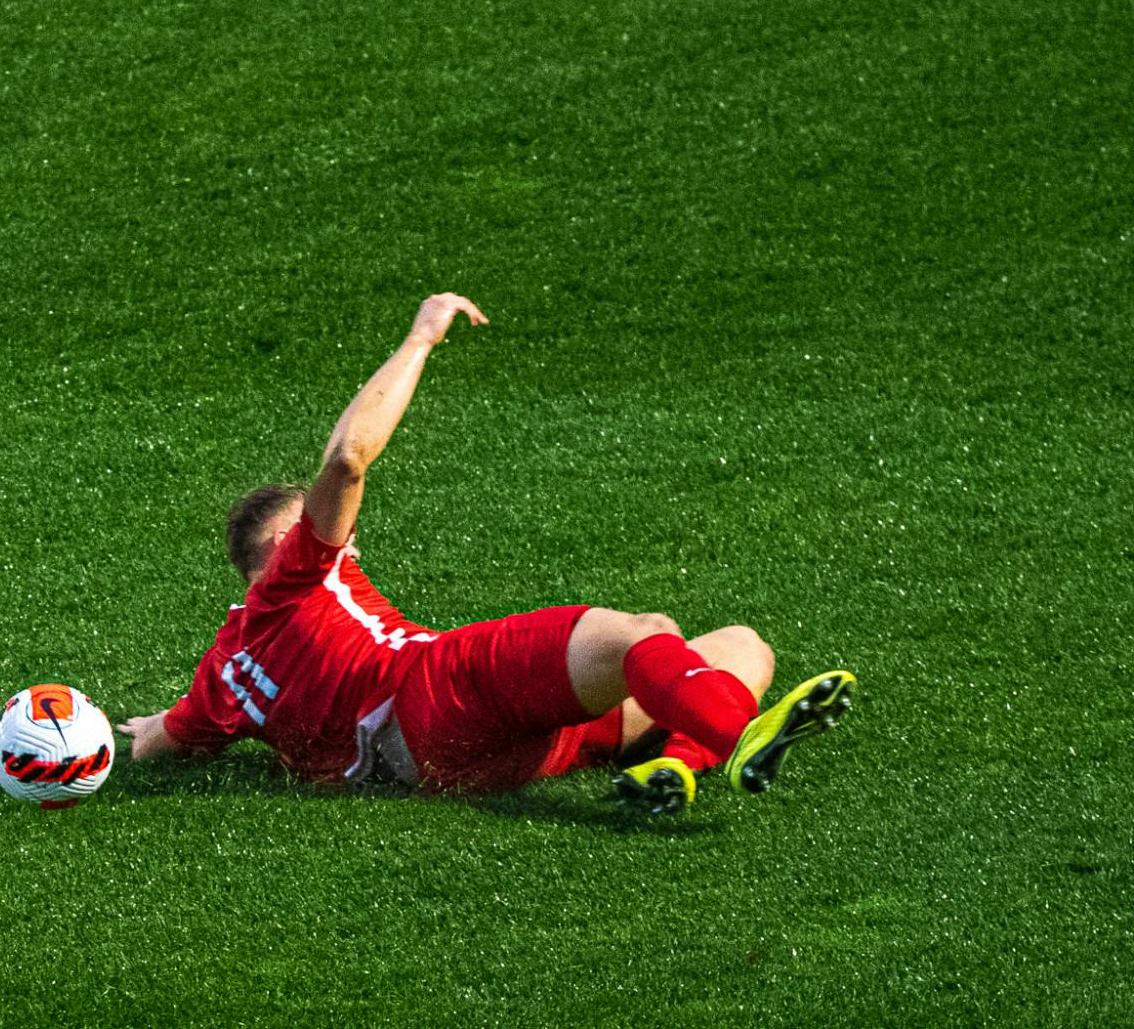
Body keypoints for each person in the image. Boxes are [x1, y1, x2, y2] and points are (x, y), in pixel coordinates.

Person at [116, 295, 855, 814]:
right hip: (433, 695)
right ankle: (734, 738)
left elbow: (161, 737)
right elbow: (347, 459)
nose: (349, 542)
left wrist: (96, 737)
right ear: (281, 548)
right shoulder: (292, 581)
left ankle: (679, 764)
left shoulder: (222, 676)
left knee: (735, 646)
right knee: (642, 633)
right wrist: (421, 337)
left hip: (443, 773)